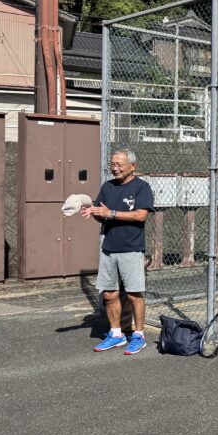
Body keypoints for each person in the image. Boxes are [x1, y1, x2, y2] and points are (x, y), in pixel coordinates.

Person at [82, 150, 155, 355]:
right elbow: (102, 213)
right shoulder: (108, 186)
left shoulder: (141, 187)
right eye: (112, 164)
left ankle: (138, 336)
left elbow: (141, 216)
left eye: (119, 164)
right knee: (109, 293)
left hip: (131, 248)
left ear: (133, 166)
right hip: (108, 248)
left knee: (134, 294)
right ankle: (116, 334)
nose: (115, 168)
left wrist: (111, 213)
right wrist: (93, 212)